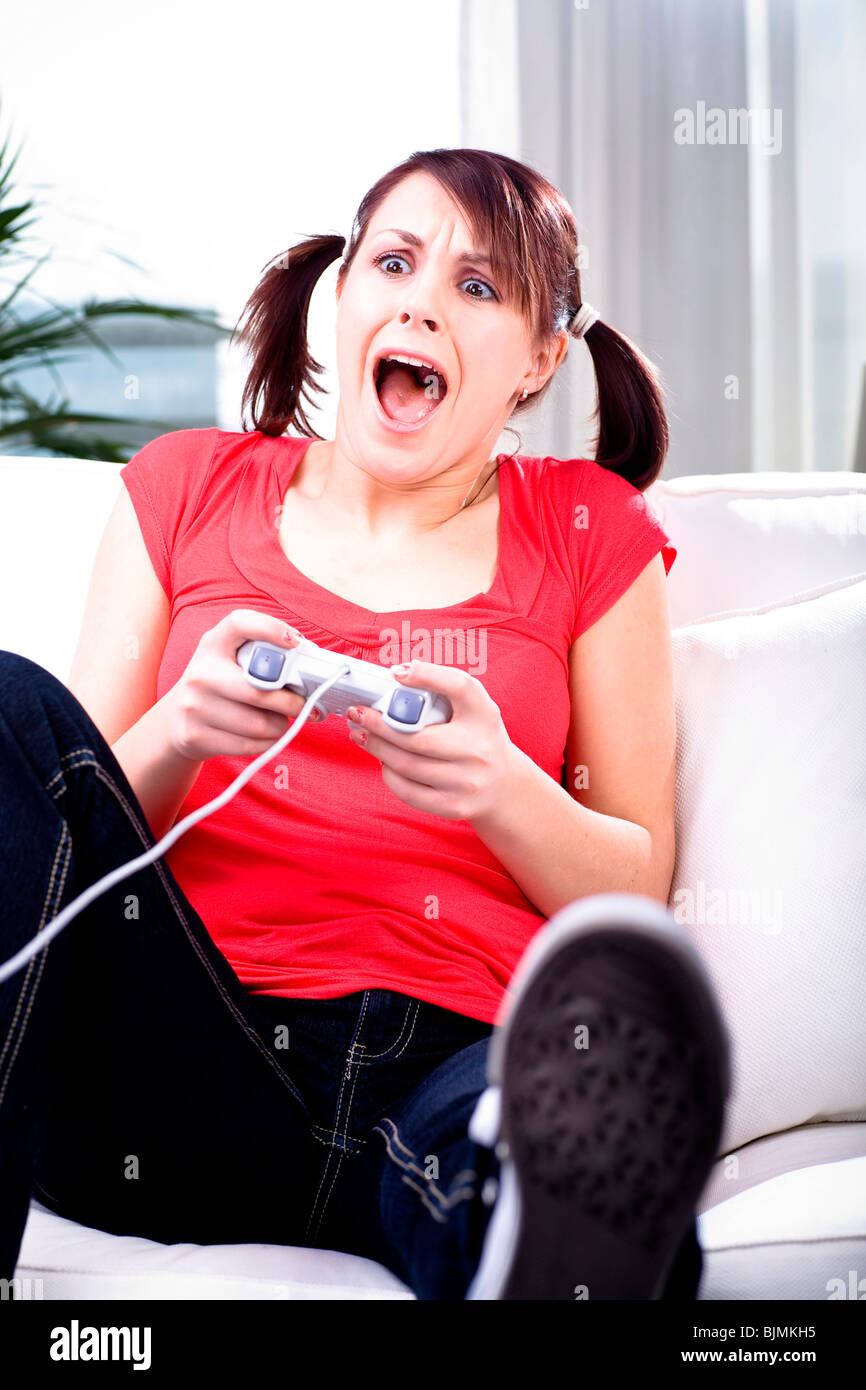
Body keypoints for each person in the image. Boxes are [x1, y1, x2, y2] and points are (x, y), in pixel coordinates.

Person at [0, 147, 729, 1300]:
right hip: (184, 1058)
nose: (421, 301)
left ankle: (539, 1233)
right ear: (342, 295)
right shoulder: (183, 484)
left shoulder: (589, 528)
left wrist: (501, 786)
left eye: (478, 287)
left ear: (540, 359)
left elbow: (633, 895)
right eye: (392, 261)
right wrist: (179, 732)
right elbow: (51, 839)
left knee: (523, 1146)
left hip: (450, 1062)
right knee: (9, 705)